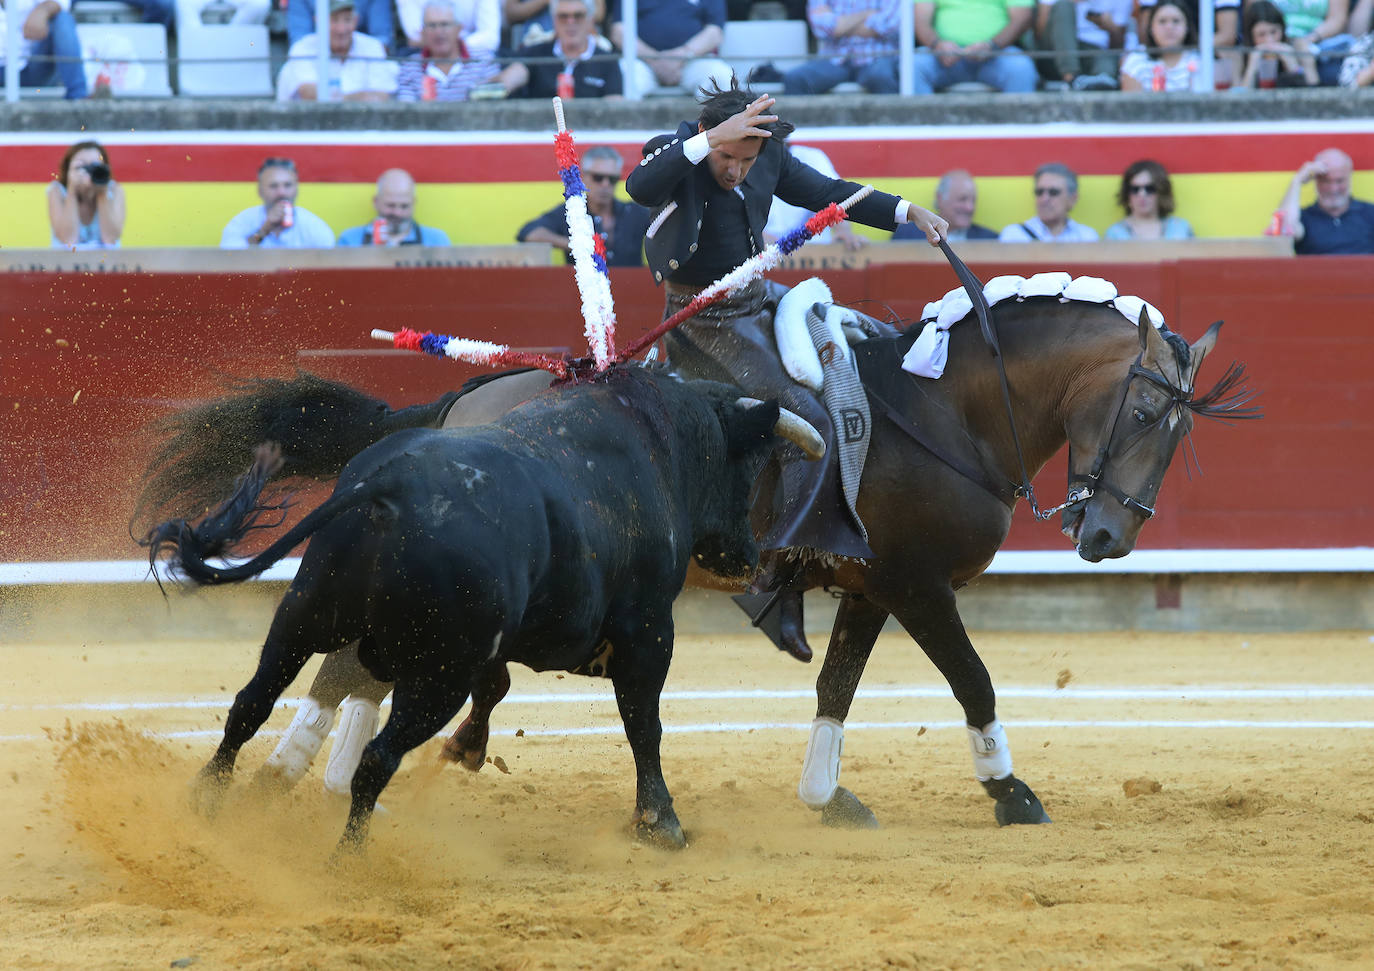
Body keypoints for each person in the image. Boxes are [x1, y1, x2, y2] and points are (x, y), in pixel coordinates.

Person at [624, 78, 946, 660]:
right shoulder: (680, 152)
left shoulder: (765, 155)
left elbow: (828, 191)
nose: (736, 170)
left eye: (746, 159)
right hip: (703, 318)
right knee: (800, 414)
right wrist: (708, 141)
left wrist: (904, 211)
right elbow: (639, 186)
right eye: (728, 155)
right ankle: (773, 577)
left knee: (865, 339)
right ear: (709, 137)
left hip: (755, 292)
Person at [517, 145, 651, 265]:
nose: (605, 185)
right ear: (583, 177)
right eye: (598, 178)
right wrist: (575, 244)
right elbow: (528, 233)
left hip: (632, 289)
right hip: (583, 291)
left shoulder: (635, 212)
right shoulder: (571, 213)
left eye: (612, 179)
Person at [276, 0, 399, 102]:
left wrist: (334, 97)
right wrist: (357, 97)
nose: (341, 30)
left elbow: (382, 96)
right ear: (318, 21)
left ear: (355, 21)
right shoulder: (302, 47)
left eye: (347, 20)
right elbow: (309, 94)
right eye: (334, 20)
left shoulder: (372, 46)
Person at [910, 0, 1040, 94]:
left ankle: (1015, 130)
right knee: (913, 66)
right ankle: (923, 129)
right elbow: (920, 20)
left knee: (1021, 68)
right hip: (942, 56)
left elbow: (1022, 18)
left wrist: (991, 46)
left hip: (997, 54)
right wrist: (937, 44)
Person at [607, 0, 733, 95]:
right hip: (643, 60)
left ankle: (710, 129)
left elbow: (715, 31)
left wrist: (680, 56)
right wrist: (654, 60)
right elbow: (619, 31)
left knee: (722, 76)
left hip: (692, 59)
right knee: (621, 78)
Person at [506, 0, 624, 99]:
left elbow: (615, 108)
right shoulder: (536, 54)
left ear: (590, 20)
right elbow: (506, 82)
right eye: (563, 16)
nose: (570, 22)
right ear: (554, 21)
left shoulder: (608, 60)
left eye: (578, 16)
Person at [395, 0, 507, 101]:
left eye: (445, 24)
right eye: (432, 25)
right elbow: (406, 112)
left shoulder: (483, 60)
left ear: (459, 28)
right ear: (423, 31)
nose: (438, 32)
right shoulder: (410, 66)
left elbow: (492, 106)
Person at [781, 0, 900, 95]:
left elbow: (890, 23)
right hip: (834, 58)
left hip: (877, 57)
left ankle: (895, 125)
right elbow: (819, 26)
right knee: (795, 79)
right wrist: (867, 14)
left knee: (882, 77)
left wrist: (839, 25)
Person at [763, 144, 869, 251]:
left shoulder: (810, 158)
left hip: (818, 252)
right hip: (762, 258)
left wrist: (843, 233)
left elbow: (835, 201)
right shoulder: (748, 166)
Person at [1271, 147, 1374, 254]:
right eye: (1326, 181)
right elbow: (1282, 234)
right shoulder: (1304, 218)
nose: (1333, 189)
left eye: (1340, 181)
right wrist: (1297, 181)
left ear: (1349, 178)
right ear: (1315, 180)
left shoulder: (1370, 214)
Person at [220, 157, 336, 249]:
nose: (281, 192)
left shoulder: (314, 226)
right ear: (260, 191)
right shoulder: (242, 222)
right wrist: (263, 231)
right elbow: (229, 259)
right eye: (273, 186)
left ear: (297, 189)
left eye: (287, 185)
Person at [337, 169, 453, 247]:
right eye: (390, 205)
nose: (397, 213)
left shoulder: (437, 241)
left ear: (414, 203)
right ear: (376, 202)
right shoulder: (349, 240)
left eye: (404, 206)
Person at [1035, 0, 1134, 89]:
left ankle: (1097, 84)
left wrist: (1110, 27)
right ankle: (1071, 78)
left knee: (1105, 67)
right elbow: (1040, 34)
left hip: (1095, 52)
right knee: (1063, 6)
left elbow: (1118, 47)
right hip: (1055, 55)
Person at [1, 0, 88, 99]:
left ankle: (78, 99)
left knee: (62, 19)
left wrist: (43, 10)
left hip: (30, 66)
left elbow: (61, 3)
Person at [47, 141, 125, 250]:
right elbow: (68, 240)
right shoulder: (56, 191)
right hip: (68, 264)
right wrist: (72, 190)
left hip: (106, 264)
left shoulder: (115, 190)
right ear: (68, 169)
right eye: (81, 166)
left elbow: (110, 239)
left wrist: (101, 193)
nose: (88, 172)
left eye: (95, 166)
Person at [998, 162, 1099, 242]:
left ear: (1072, 199)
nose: (1044, 199)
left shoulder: (1087, 237)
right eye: (1039, 192)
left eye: (1053, 192)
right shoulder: (1014, 235)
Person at [894, 168, 997, 242]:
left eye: (973, 200)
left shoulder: (990, 240)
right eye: (962, 199)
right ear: (940, 198)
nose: (970, 207)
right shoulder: (906, 235)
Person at [1119, 1, 1203, 91]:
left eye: (1176, 21)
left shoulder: (1201, 60)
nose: (1169, 27)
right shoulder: (1136, 62)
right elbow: (1131, 104)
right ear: (1151, 28)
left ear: (1187, 27)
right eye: (1162, 21)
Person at [1104, 159, 1194, 240]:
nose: (1142, 195)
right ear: (1127, 194)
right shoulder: (1115, 234)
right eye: (1135, 189)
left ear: (1161, 191)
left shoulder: (1180, 229)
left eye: (1150, 189)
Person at [1239, 1, 1319, 87]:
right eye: (1261, 34)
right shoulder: (1241, 54)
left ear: (1282, 29)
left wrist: (1293, 66)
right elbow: (1237, 98)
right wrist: (1252, 68)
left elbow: (1314, 95)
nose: (1269, 40)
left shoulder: (1298, 48)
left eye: (1273, 32)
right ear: (1251, 36)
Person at [396, 0, 504, 50]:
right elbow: (415, 37)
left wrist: (454, 48)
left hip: (474, 56)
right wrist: (449, 43)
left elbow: (491, 39)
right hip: (424, 56)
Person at [287, 0, 393, 48]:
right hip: (316, 61)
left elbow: (382, 40)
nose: (340, 29)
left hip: (362, 63)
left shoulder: (371, 47)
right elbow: (299, 41)